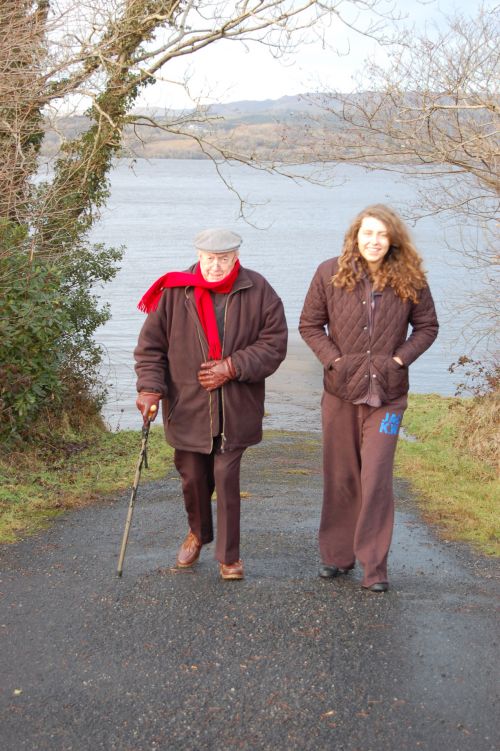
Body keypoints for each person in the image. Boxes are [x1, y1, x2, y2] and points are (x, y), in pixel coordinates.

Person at [299, 204, 438, 592]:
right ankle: (337, 557)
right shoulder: (329, 272)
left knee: (375, 477)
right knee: (341, 475)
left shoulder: (410, 278)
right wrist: (335, 361)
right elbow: (310, 324)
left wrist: (399, 359)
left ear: (392, 238)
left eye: (381, 234)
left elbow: (427, 327)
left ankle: (374, 567)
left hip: (389, 396)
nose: (374, 241)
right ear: (355, 237)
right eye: (367, 234)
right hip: (341, 393)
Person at [134, 228, 287, 580]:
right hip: (186, 407)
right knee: (192, 477)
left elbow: (274, 343)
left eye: (223, 259)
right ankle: (199, 533)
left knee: (226, 476)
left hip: (236, 408)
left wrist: (232, 367)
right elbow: (151, 349)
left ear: (236, 257)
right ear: (198, 257)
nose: (215, 267)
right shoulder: (174, 291)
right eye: (209, 259)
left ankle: (229, 556)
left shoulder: (258, 289)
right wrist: (150, 389)